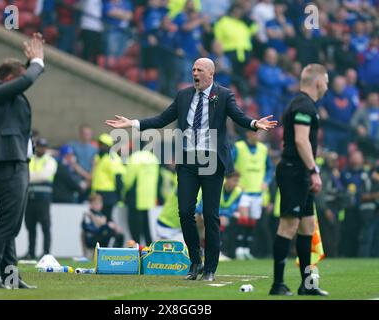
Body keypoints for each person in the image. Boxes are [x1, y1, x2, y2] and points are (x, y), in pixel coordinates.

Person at [106, 57, 277, 281]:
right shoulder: (184, 95)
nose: (194, 73)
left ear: (210, 74)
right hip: (188, 161)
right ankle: (195, 262)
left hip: (212, 161)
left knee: (210, 215)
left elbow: (238, 116)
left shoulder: (224, 95)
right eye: (193, 69)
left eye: (199, 70)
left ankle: (210, 268)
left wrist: (255, 124)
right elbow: (162, 119)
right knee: (185, 212)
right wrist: (133, 124)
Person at [0, 33, 45, 289]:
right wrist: (37, 64)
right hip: (8, 162)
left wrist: (31, 64)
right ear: (7, 79)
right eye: (16, 80)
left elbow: (23, 80)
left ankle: (10, 277)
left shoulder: (2, 93)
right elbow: (24, 81)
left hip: (17, 161)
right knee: (8, 223)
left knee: (11, 222)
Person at [269, 64, 329, 296]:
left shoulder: (304, 104)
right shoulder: (303, 105)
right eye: (326, 80)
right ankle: (278, 284)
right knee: (288, 225)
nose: (327, 85)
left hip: (300, 173)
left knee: (306, 226)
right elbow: (302, 141)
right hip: (295, 171)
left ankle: (307, 284)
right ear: (317, 82)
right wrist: (314, 170)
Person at [233, 130, 273, 260]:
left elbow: (269, 168)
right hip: (242, 191)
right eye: (256, 133)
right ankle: (239, 249)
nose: (258, 136)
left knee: (252, 221)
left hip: (257, 191)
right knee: (243, 219)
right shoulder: (239, 147)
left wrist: (266, 181)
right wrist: (235, 181)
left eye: (259, 134)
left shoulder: (263, 149)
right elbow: (229, 165)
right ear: (248, 133)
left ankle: (247, 249)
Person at [23, 138, 58, 260]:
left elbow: (45, 175)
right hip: (30, 198)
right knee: (30, 226)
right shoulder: (30, 159)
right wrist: (33, 176)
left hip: (43, 199)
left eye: (43, 147)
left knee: (45, 226)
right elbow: (25, 174)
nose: (40, 149)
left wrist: (31, 176)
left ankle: (46, 253)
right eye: (39, 146)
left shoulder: (50, 161)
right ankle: (31, 252)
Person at [124, 147, 160, 246]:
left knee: (134, 226)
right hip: (148, 196)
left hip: (136, 195)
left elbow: (129, 179)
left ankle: (136, 248)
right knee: (145, 225)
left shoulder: (134, 158)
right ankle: (149, 248)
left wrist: (124, 192)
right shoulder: (153, 158)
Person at [91, 134, 125, 221]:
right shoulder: (100, 158)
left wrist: (120, 197)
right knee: (100, 218)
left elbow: (118, 178)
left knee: (106, 218)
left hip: (108, 194)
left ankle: (115, 234)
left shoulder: (112, 158)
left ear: (107, 145)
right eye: (99, 144)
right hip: (99, 193)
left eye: (102, 144)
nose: (99, 146)